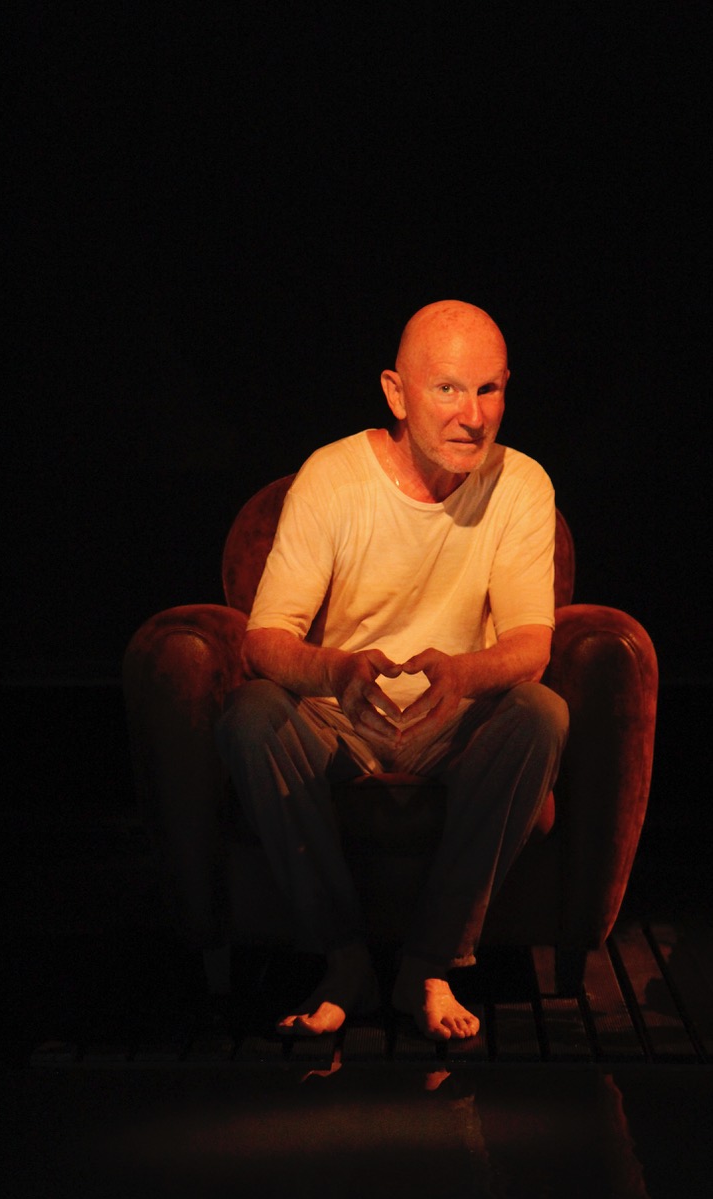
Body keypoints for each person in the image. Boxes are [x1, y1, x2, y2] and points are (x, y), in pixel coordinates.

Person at [215, 300, 569, 1040]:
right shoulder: (334, 476)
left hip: (452, 726)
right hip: (342, 722)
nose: (472, 415)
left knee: (541, 712)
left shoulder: (521, 483)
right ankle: (342, 959)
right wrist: (336, 671)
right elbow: (264, 639)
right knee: (251, 714)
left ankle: (430, 965)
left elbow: (531, 646)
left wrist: (462, 676)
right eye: (446, 389)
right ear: (396, 393)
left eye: (488, 390)